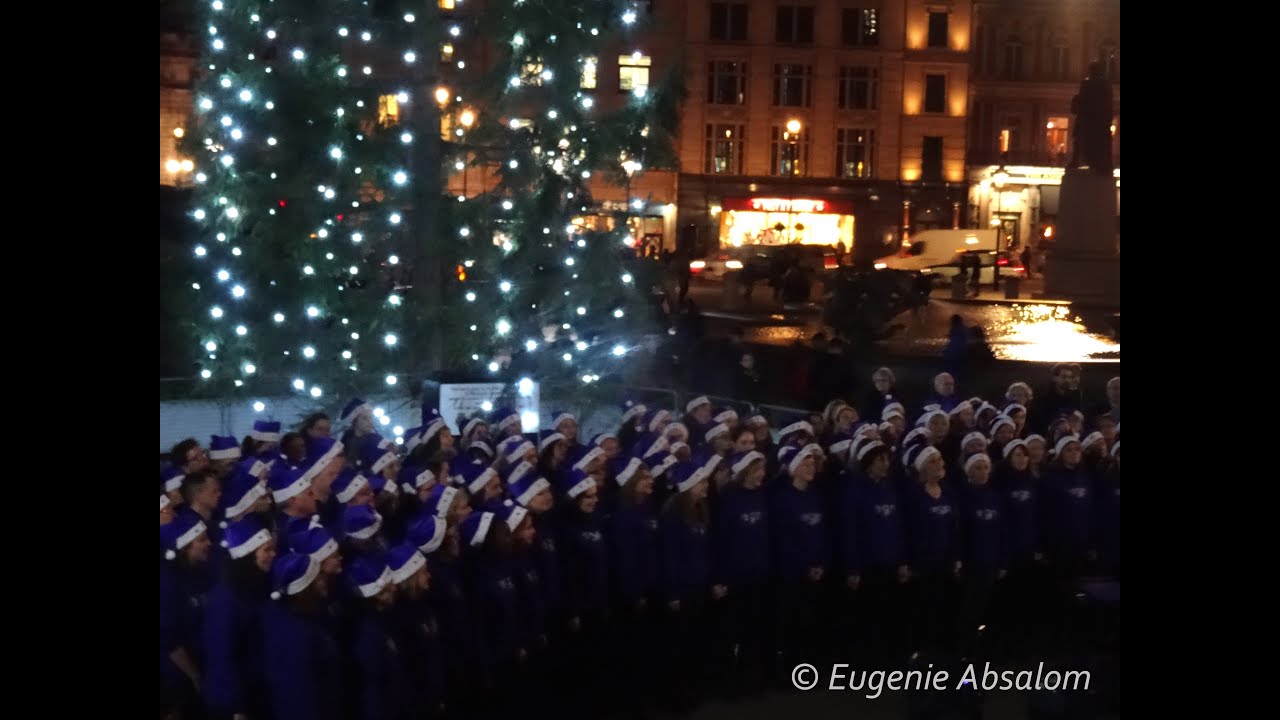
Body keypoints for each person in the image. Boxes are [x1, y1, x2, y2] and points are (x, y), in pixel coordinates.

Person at [204, 517, 276, 720]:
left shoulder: (256, 584)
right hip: (237, 700)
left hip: (256, 688)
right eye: (266, 550)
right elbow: (222, 654)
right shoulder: (225, 599)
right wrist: (237, 707)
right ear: (248, 555)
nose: (273, 555)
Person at [660, 460, 717, 710]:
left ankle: (693, 687)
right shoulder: (674, 514)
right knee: (680, 644)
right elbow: (670, 556)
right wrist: (673, 592)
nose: (706, 486)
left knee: (695, 639)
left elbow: (707, 550)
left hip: (698, 584)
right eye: (701, 481)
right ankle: (677, 694)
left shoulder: (701, 509)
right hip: (682, 587)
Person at [714, 451, 771, 694]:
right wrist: (720, 577)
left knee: (753, 630)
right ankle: (729, 682)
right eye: (757, 470)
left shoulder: (761, 495)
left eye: (763, 470)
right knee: (731, 632)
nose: (762, 475)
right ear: (746, 471)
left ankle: (750, 679)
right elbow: (720, 540)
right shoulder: (729, 498)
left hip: (757, 575)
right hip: (735, 577)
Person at [263, 553, 345, 720]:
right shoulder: (296, 637)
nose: (325, 580)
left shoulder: (309, 619)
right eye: (319, 577)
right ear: (305, 588)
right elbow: (302, 699)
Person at [160, 511, 213, 719]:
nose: (209, 543)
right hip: (179, 677)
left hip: (201, 664)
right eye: (202, 540)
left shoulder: (200, 571)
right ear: (184, 547)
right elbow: (170, 640)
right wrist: (195, 676)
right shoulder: (167, 583)